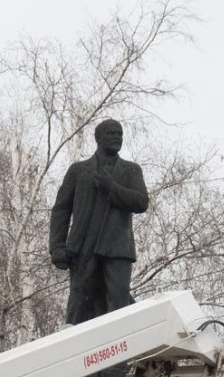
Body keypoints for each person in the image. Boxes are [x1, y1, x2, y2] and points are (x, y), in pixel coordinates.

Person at [49, 119, 149, 325]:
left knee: (119, 304)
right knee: (79, 303)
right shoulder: (78, 170)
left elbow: (141, 202)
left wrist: (111, 187)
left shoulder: (131, 170)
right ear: (98, 138)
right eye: (111, 133)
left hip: (118, 248)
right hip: (83, 247)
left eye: (119, 133)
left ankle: (121, 353)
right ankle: (74, 349)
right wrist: (57, 247)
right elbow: (61, 210)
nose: (116, 137)